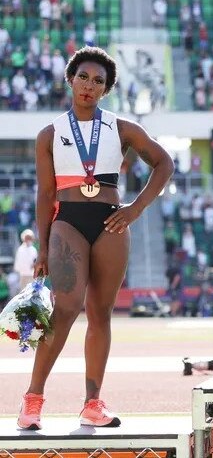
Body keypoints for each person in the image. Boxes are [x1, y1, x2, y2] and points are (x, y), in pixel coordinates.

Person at [19, 47, 174, 430]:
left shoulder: (121, 128)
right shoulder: (50, 133)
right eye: (84, 77)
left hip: (110, 222)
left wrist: (135, 209)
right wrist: (41, 246)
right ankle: (32, 401)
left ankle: (92, 403)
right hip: (67, 222)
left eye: (98, 81)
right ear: (70, 79)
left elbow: (164, 162)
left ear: (106, 89)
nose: (90, 85)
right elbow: (44, 193)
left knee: (101, 313)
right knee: (66, 308)